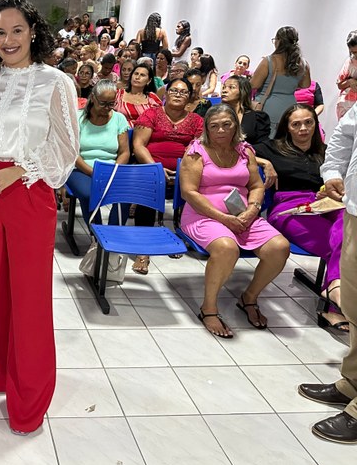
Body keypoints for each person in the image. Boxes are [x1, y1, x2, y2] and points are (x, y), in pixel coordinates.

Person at [0, 0, 79, 434]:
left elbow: (66, 148)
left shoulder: (56, 81)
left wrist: (19, 171)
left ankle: (29, 399)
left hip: (29, 190)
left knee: (28, 299)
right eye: (0, 32)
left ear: (33, 32)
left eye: (16, 30)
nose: (8, 39)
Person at [179, 104, 290, 338]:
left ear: (235, 126)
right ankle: (208, 308)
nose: (220, 130)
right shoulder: (196, 152)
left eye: (226, 124)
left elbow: (256, 186)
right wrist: (223, 218)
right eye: (214, 126)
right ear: (207, 129)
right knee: (226, 248)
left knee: (280, 247)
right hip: (203, 215)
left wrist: (252, 210)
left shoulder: (245, 151)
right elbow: (189, 192)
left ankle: (249, 297)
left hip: (242, 215)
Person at [255, 104, 347, 330]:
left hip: (326, 203)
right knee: (342, 246)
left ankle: (335, 290)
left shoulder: (326, 152)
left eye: (308, 122)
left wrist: (331, 188)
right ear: (287, 127)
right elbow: (239, 149)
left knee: (349, 223)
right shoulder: (272, 148)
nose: (303, 128)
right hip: (289, 207)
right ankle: (334, 306)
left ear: (316, 124)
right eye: (296, 124)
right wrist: (265, 162)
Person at [298, 103, 357, 444]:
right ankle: (352, 383)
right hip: (355, 210)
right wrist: (333, 171)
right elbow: (345, 133)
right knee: (353, 304)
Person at [131, 78, 204, 274]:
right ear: (166, 93)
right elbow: (138, 145)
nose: (178, 95)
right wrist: (156, 168)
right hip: (151, 167)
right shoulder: (151, 114)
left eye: (183, 92)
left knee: (200, 187)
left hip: (184, 170)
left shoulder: (197, 120)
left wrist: (184, 170)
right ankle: (143, 250)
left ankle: (183, 236)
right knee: (150, 186)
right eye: (174, 91)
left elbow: (198, 148)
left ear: (190, 97)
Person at [66, 79, 130, 224]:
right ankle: (95, 232)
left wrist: (113, 170)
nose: (107, 108)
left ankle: (112, 231)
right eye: (103, 103)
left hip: (110, 169)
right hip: (81, 169)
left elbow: (124, 152)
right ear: (93, 98)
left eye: (111, 103)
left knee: (125, 195)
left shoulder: (119, 119)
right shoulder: (78, 117)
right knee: (89, 194)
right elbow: (73, 153)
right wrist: (93, 172)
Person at [250, 26, 311, 136]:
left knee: (264, 141)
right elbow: (306, 84)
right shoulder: (302, 63)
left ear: (278, 41)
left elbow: (254, 84)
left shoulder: (269, 61)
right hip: (290, 108)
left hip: (267, 107)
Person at [335, 30, 357, 120]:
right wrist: (350, 82)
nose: (355, 55)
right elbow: (340, 84)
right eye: (353, 52)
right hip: (347, 104)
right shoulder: (349, 62)